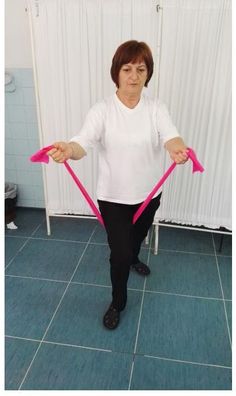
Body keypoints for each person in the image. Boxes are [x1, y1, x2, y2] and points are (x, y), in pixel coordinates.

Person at [48, 40, 188, 330]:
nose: (134, 76)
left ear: (148, 73)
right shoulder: (102, 110)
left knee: (135, 241)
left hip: (149, 195)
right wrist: (67, 149)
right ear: (116, 72)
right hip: (113, 198)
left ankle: (135, 254)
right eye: (127, 69)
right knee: (119, 255)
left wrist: (177, 148)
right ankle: (118, 301)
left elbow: (171, 135)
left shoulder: (156, 107)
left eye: (141, 69)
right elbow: (82, 142)